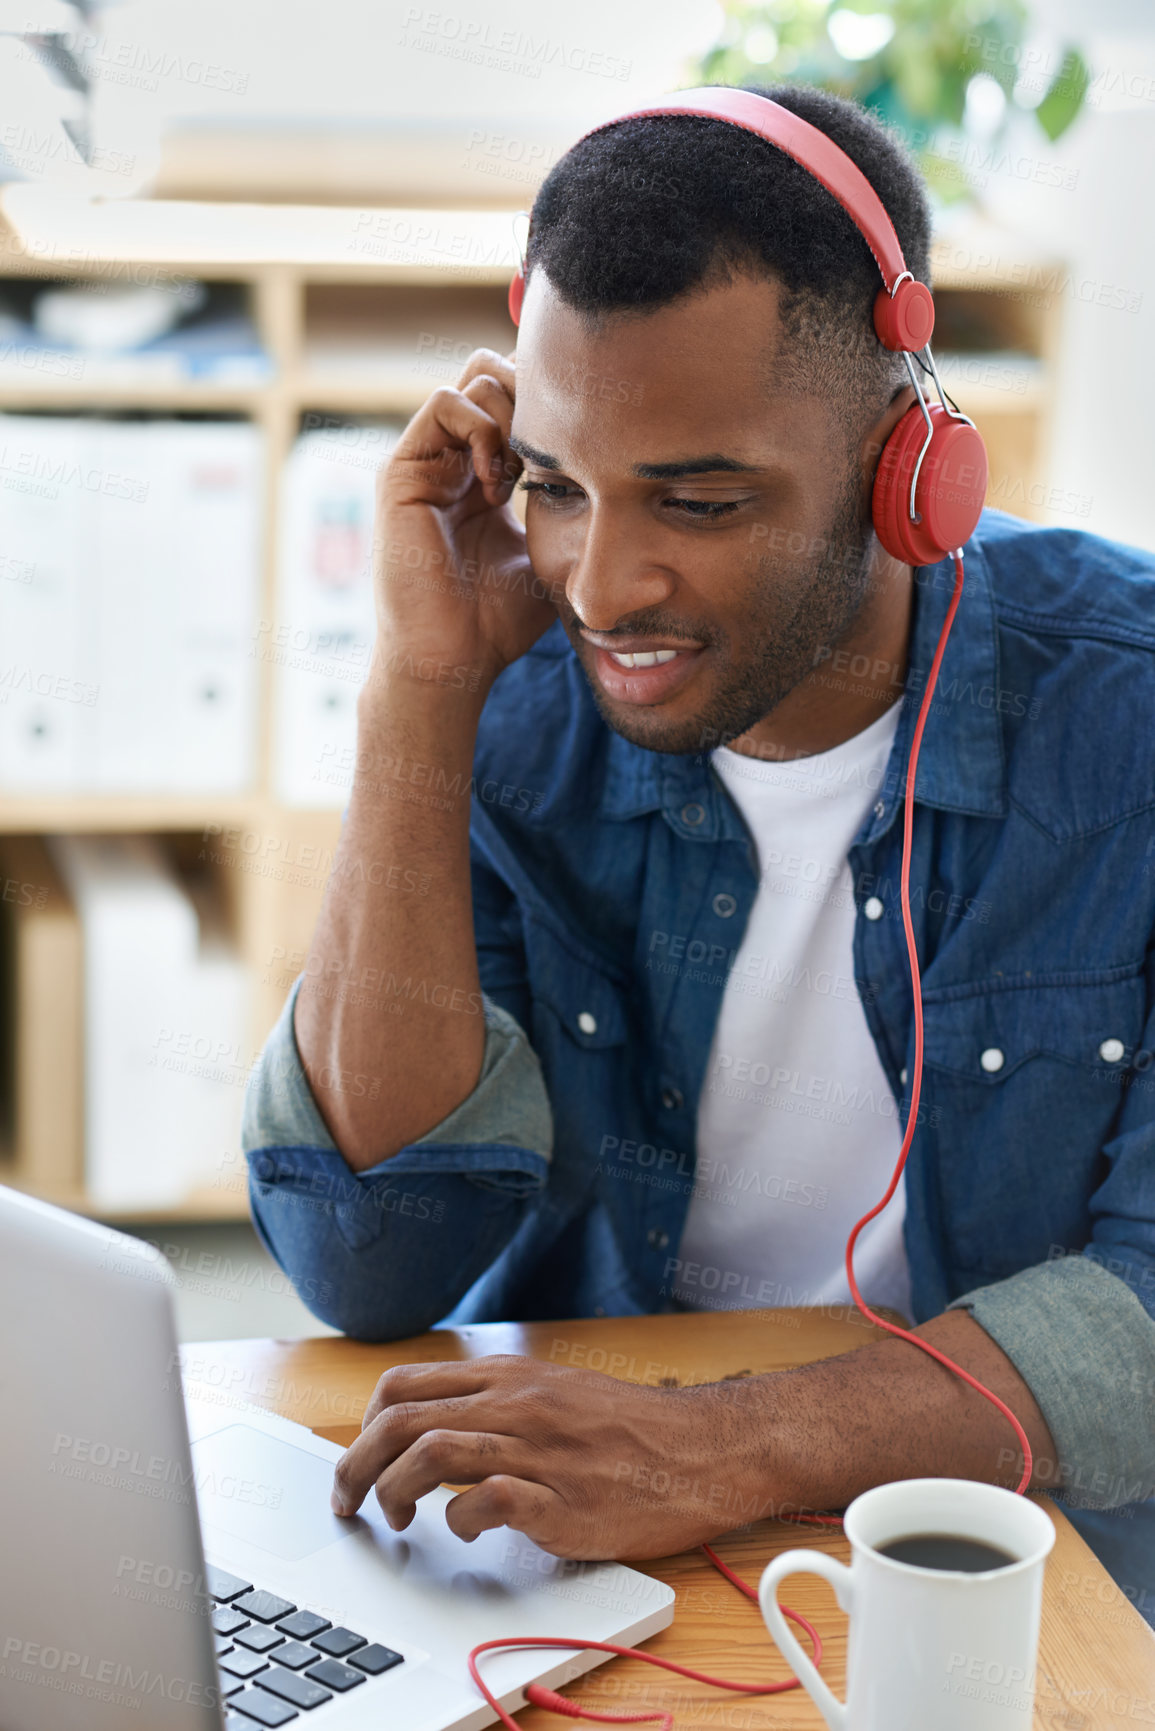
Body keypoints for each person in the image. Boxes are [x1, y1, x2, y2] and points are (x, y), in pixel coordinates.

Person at [242, 85, 1155, 1623]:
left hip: (1000, 1544)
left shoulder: (1124, 718)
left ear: (905, 463)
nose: (601, 584)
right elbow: (367, 1260)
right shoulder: (511, 692)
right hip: (567, 1522)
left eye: (704, 499)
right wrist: (419, 690)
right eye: (555, 483)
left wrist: (725, 1448)